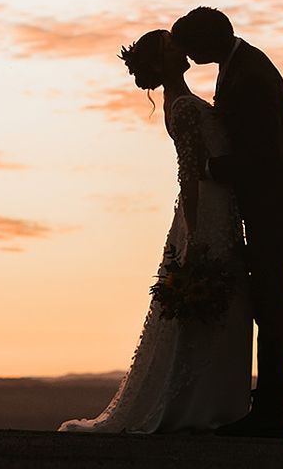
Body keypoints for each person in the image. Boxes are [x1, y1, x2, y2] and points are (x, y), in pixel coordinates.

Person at [58, 30, 251, 433]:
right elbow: (190, 175)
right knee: (212, 302)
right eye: (171, 46)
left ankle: (214, 403)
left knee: (225, 305)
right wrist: (196, 234)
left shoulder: (181, 102)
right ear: (164, 63)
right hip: (206, 213)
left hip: (219, 209)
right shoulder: (181, 108)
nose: (181, 48)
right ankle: (196, 406)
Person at [171, 6, 283, 439]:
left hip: (275, 198)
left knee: (271, 297)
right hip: (268, 196)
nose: (188, 56)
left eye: (191, 46)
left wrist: (210, 170)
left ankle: (271, 411)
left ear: (208, 41)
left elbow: (262, 155)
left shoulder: (248, 76)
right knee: (266, 296)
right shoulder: (239, 65)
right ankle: (267, 406)